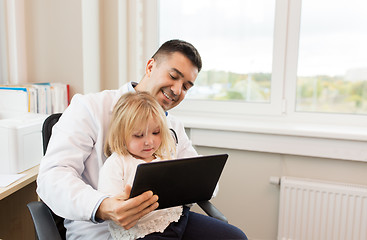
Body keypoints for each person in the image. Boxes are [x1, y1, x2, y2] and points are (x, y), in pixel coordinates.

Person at [37, 39, 247, 239]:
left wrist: (202, 180)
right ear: (150, 66)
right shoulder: (90, 108)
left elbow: (201, 179)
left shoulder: (173, 125)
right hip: (102, 231)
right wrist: (103, 206)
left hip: (163, 224)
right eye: (173, 76)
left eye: (185, 87)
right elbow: (51, 177)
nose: (176, 90)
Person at [98, 91, 183, 239]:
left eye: (156, 133)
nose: (149, 142)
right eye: (139, 135)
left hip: (174, 220)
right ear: (121, 134)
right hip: (141, 232)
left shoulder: (163, 155)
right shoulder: (117, 164)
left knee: (232, 235)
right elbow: (113, 207)